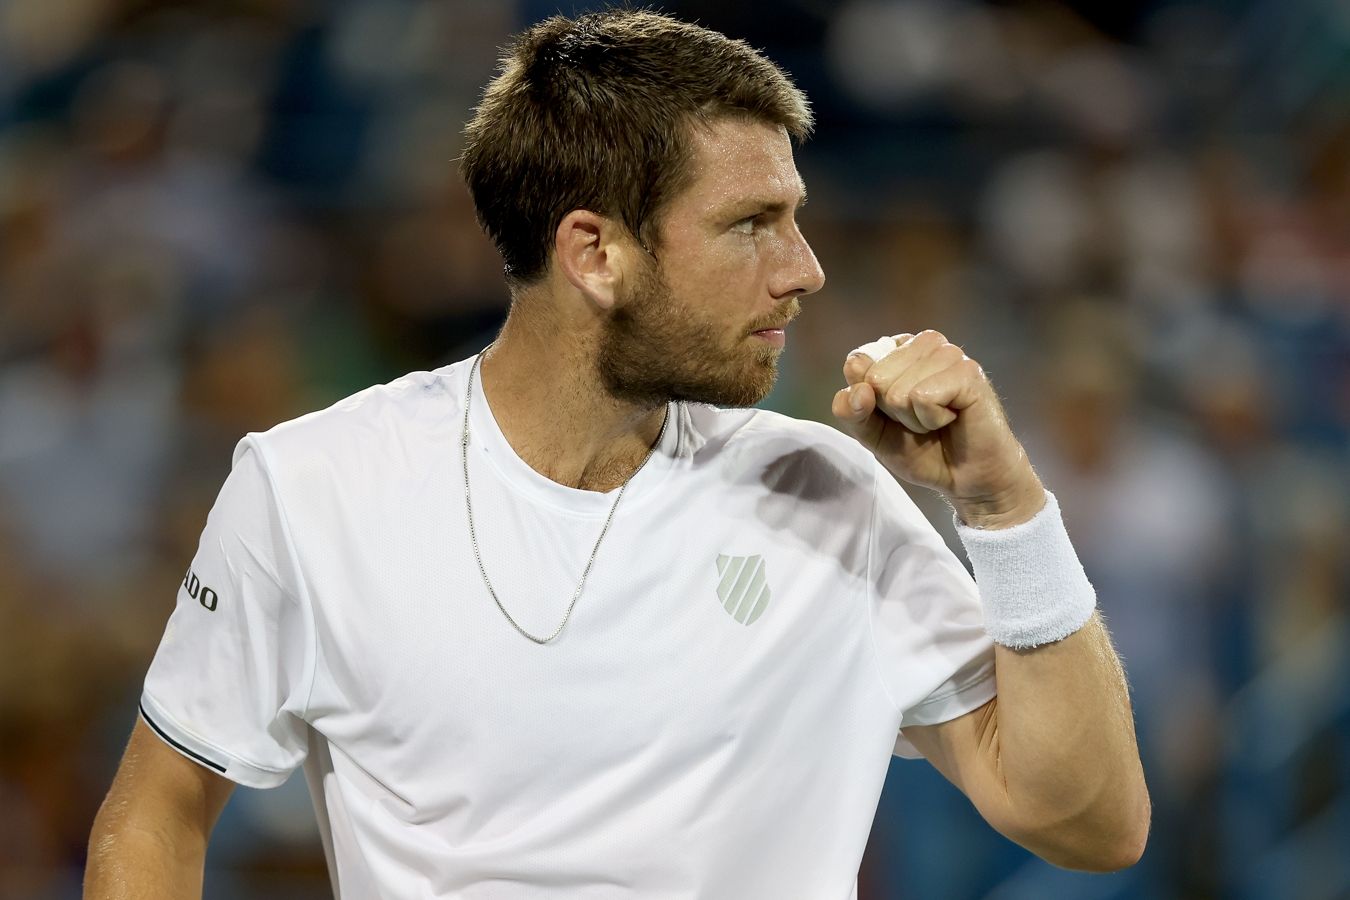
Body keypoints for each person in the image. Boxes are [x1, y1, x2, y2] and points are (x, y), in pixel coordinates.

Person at [85, 10, 1148, 898]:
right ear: (594, 252)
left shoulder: (831, 495)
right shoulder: (311, 486)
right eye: (752, 224)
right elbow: (156, 817)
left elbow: (1093, 825)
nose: (804, 269)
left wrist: (1005, 506)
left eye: (796, 218)